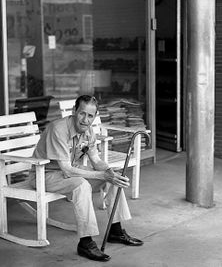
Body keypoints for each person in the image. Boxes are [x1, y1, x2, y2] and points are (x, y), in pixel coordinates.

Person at [29, 95, 143, 262]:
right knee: (81, 185)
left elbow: (96, 160)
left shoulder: (88, 131)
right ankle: (85, 243)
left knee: (113, 179)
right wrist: (101, 174)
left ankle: (116, 231)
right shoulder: (58, 129)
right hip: (45, 174)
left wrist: (110, 172)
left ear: (95, 116)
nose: (85, 119)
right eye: (82, 113)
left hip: (70, 170)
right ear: (75, 111)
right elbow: (66, 169)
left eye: (90, 116)